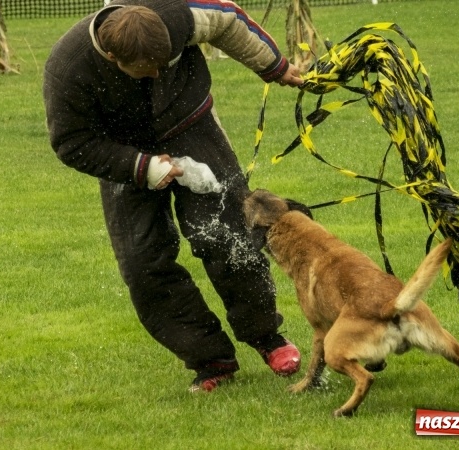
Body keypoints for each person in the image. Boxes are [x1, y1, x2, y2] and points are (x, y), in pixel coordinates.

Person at [43, 0, 305, 392]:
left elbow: (228, 19)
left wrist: (275, 67)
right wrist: (144, 168)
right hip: (123, 150)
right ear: (113, 57)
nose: (158, 73)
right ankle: (210, 358)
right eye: (147, 69)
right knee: (141, 263)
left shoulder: (172, 15)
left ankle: (267, 337)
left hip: (191, 125)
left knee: (225, 235)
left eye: (164, 62)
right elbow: (71, 143)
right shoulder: (67, 69)